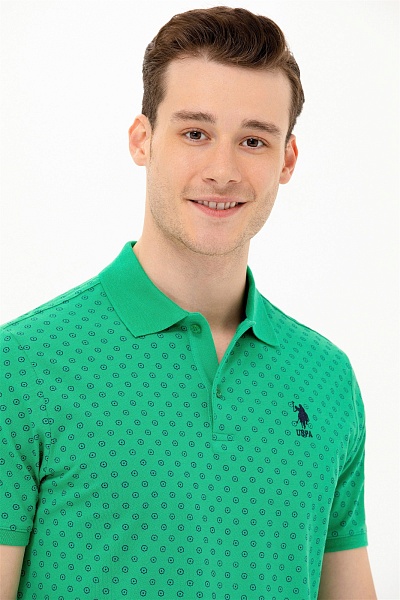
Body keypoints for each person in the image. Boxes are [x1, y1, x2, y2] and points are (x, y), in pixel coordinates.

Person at [0, 6, 376, 599]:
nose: (222, 171)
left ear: (287, 160)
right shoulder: (22, 365)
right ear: (142, 140)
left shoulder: (328, 379)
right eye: (195, 133)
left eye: (253, 140)